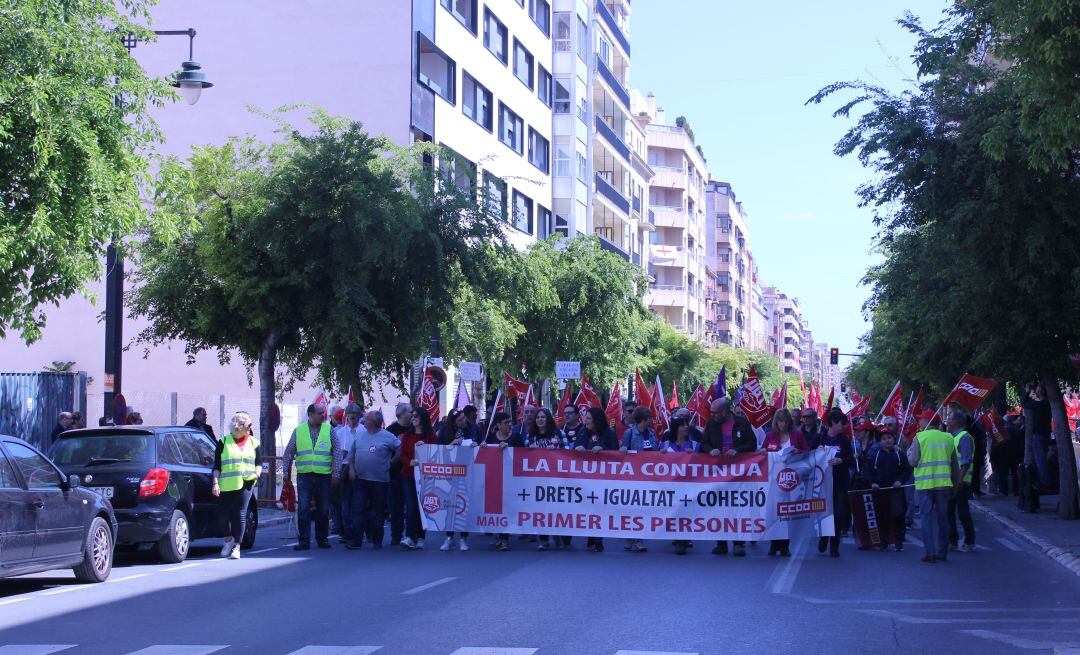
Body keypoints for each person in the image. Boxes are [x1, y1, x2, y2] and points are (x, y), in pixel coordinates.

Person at [700, 398, 757, 557]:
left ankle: (738, 543)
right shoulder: (711, 424)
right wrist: (710, 450)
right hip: (717, 473)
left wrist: (738, 450)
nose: (712, 415)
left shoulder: (742, 423)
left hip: (738, 473)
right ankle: (721, 543)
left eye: (715, 413)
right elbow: (703, 443)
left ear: (724, 412)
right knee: (719, 508)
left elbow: (752, 444)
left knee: (737, 507)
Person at [282, 403, 342, 551]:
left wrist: (336, 474)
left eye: (323, 413)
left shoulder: (329, 429)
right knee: (303, 508)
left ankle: (322, 539)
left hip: (324, 476)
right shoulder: (299, 430)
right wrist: (286, 473)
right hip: (305, 475)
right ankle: (304, 541)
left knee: (323, 509)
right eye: (320, 413)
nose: (323, 415)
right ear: (310, 415)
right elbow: (289, 452)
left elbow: (337, 451)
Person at [344, 410, 400, 550]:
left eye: (367, 418)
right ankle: (356, 540)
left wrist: (391, 462)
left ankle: (376, 540)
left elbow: (400, 448)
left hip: (380, 481)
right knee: (358, 509)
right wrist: (351, 469)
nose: (364, 420)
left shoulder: (387, 436)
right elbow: (352, 453)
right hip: (361, 479)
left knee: (377, 511)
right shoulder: (360, 435)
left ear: (374, 422)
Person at [908, 412, 960, 563]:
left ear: (927, 420)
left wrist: (908, 452)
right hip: (943, 485)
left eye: (921, 420)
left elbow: (913, 461)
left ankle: (930, 553)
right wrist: (955, 485)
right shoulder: (948, 438)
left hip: (925, 486)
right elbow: (954, 465)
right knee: (943, 518)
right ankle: (942, 552)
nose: (919, 423)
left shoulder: (920, 437)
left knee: (926, 519)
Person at [211, 411, 261, 559]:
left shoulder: (254, 442)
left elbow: (258, 462)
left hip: (247, 482)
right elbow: (217, 466)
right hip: (226, 484)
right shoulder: (223, 442)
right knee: (222, 515)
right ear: (239, 426)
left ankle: (237, 547)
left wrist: (257, 474)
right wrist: (215, 483)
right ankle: (228, 539)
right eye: (249, 425)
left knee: (240, 514)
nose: (251, 427)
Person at [762, 408, 810, 556]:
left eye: (786, 421)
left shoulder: (797, 435)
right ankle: (773, 544)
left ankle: (785, 546)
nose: (783, 424)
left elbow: (807, 452)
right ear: (776, 422)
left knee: (787, 513)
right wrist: (763, 452)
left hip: (791, 480)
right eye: (781, 421)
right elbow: (762, 452)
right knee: (774, 512)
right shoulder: (770, 435)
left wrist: (798, 451)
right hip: (773, 479)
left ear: (790, 422)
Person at [575, 407, 619, 552]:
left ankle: (598, 539)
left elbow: (615, 452)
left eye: (588, 418)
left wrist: (603, 449)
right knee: (587, 507)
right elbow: (575, 448)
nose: (585, 421)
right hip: (585, 477)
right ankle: (591, 534)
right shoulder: (582, 431)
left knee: (599, 508)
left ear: (597, 420)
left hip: (603, 477)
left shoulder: (609, 433)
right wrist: (578, 448)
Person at [438, 409, 479, 551]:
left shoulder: (473, 428)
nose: (463, 421)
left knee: (464, 503)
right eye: (460, 420)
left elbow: (481, 444)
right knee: (450, 504)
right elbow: (438, 449)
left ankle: (463, 538)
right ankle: (449, 537)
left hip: (468, 469)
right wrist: (452, 443)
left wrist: (476, 445)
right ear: (453, 422)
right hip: (450, 471)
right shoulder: (445, 431)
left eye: (463, 418)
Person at [817, 408, 855, 558]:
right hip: (823, 483)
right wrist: (818, 452)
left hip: (840, 482)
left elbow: (851, 459)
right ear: (833, 422)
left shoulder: (844, 440)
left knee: (838, 514)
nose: (844, 426)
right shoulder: (820, 438)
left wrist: (841, 460)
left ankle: (834, 545)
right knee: (825, 513)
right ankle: (824, 537)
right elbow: (809, 455)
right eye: (842, 423)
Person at [529, 407, 568, 550]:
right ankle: (543, 539)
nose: (540, 419)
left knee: (555, 507)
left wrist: (556, 450)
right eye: (538, 417)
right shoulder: (531, 435)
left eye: (543, 417)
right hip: (538, 477)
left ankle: (557, 533)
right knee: (540, 508)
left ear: (548, 419)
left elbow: (568, 452)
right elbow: (524, 455)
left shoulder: (558, 433)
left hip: (556, 476)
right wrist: (530, 449)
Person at [660, 416, 700, 555]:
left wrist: (694, 456)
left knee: (686, 511)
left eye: (687, 424)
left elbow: (703, 464)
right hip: (670, 487)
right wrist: (661, 455)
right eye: (682, 425)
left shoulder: (695, 445)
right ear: (675, 428)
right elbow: (656, 463)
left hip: (689, 485)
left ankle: (682, 539)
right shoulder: (664, 446)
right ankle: (678, 538)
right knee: (674, 511)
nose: (686, 427)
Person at [621, 406, 658, 553]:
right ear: (643, 419)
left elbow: (655, 450)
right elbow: (623, 450)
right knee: (633, 508)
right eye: (650, 418)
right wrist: (623, 449)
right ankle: (631, 537)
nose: (652, 420)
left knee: (643, 508)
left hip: (649, 477)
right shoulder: (629, 433)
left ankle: (638, 538)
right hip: (633, 476)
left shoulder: (652, 433)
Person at [485, 412, 524, 551]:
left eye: (510, 422)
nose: (509, 424)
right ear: (498, 425)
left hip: (512, 479)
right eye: (506, 422)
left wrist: (509, 449)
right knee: (497, 509)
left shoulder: (516, 437)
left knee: (507, 508)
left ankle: (504, 539)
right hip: (495, 478)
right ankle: (500, 536)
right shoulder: (491, 437)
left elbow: (523, 455)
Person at [867, 427, 910, 551]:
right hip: (880, 490)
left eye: (889, 438)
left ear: (894, 439)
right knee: (882, 516)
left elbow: (906, 471)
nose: (887, 440)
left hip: (896, 490)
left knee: (898, 515)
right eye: (884, 438)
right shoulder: (874, 455)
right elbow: (868, 471)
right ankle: (883, 541)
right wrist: (873, 483)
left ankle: (898, 540)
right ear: (880, 441)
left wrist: (900, 481)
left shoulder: (899, 454)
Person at [401, 407, 436, 549]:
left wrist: (425, 447)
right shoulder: (407, 435)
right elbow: (403, 454)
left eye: (416, 416)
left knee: (422, 505)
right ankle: (409, 536)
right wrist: (409, 462)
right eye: (412, 416)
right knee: (411, 505)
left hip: (425, 476)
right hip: (408, 475)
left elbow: (435, 453)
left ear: (423, 418)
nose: (413, 418)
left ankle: (421, 536)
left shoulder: (431, 436)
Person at [947, 407, 977, 553]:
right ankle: (952, 541)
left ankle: (969, 541)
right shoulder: (953, 437)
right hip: (952, 481)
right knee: (949, 511)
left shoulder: (964, 438)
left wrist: (959, 480)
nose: (947, 421)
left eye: (950, 418)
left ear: (956, 422)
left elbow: (965, 461)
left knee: (962, 512)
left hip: (961, 482)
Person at [333, 404, 363, 545]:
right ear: (346, 416)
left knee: (359, 503)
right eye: (350, 413)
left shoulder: (364, 431)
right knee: (345, 502)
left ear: (359, 415)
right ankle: (347, 532)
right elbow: (335, 453)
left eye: (355, 413)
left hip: (361, 468)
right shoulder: (340, 433)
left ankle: (360, 532)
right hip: (344, 469)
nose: (352, 416)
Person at [385, 403, 413, 547]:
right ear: (401, 414)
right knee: (396, 507)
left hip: (411, 473)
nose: (412, 414)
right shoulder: (390, 431)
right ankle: (396, 535)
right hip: (395, 473)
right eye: (410, 412)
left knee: (411, 505)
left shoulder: (414, 429)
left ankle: (411, 535)